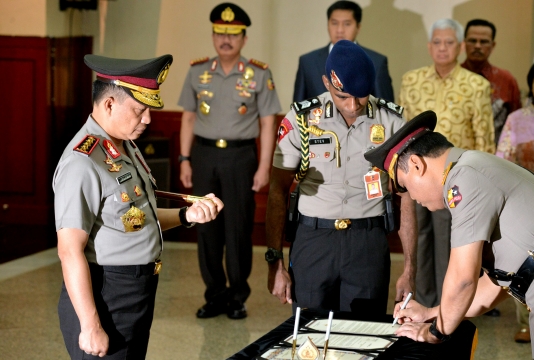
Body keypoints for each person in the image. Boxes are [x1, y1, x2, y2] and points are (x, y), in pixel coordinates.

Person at [54, 54, 224, 359]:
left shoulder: (122, 145)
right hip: (107, 295)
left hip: (136, 293)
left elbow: (136, 218)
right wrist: (90, 325)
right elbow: (69, 250)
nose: (147, 118)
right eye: (139, 110)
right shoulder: (83, 162)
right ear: (108, 105)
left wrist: (187, 215)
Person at [364, 110, 534, 360]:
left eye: (404, 185)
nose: (412, 197)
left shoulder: (465, 178)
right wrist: (432, 313)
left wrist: (435, 332)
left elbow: (463, 278)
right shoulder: (473, 166)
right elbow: (497, 285)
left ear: (416, 164)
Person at [266, 40, 417, 317]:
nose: (352, 105)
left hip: (368, 243)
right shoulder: (301, 119)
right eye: (342, 96)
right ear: (326, 82)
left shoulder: (392, 122)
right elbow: (277, 190)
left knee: (362, 336)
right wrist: (274, 262)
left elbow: (406, 197)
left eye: (360, 96)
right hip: (313, 241)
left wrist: (409, 269)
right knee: (309, 337)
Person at [177, 2, 281, 320]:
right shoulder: (197, 71)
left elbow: (268, 122)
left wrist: (264, 166)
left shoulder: (259, 74)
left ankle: (237, 296)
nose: (226, 40)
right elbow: (188, 118)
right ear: (213, 36)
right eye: (220, 33)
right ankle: (215, 295)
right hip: (204, 155)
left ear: (243, 39)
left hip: (240, 156)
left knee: (238, 227)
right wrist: (184, 159)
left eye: (232, 34)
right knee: (205, 226)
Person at [399, 18, 495, 308]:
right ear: (430, 47)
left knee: (452, 245)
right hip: (416, 178)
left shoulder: (476, 85)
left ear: (460, 46)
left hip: (458, 182)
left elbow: (485, 140)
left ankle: (449, 308)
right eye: (437, 42)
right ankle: (423, 304)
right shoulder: (411, 80)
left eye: (449, 42)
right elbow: (402, 134)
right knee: (419, 241)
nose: (443, 48)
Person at [496, 61, 534, 343]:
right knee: (527, 261)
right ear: (531, 85)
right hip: (527, 199)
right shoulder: (516, 119)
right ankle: (527, 319)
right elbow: (502, 160)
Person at [293, 0, 394, 103]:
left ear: (358, 27)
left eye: (347, 24)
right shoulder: (308, 62)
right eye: (334, 23)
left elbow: (385, 111)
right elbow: (298, 109)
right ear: (328, 25)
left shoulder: (376, 62)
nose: (340, 30)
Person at [462, 19, 522, 144]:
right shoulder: (451, 78)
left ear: (492, 45)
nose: (478, 46)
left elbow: (517, 125)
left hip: (495, 156)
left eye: (483, 42)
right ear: (464, 43)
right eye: (473, 40)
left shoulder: (506, 80)